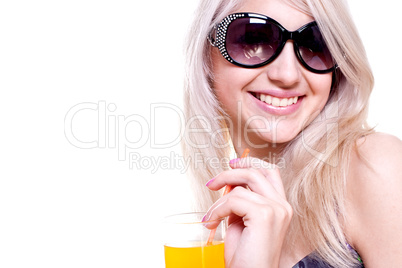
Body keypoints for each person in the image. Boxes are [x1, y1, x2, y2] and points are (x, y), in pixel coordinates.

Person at [181, 0, 402, 267]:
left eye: (314, 44)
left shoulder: (374, 165)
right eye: (253, 40)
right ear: (207, 56)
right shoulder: (220, 215)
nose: (287, 75)